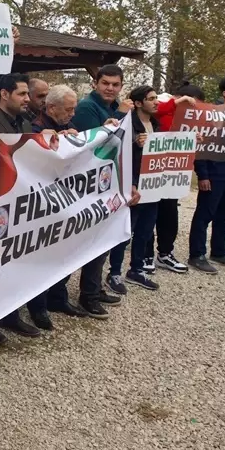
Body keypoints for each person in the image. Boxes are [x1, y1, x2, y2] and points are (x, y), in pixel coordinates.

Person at [27, 85, 111, 322]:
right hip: (45, 203)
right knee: (44, 257)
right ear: (52, 108)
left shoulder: (64, 125)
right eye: (69, 109)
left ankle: (58, 298)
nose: (73, 114)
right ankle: (38, 306)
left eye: (74, 109)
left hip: (64, 200)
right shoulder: (38, 127)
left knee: (63, 253)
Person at [0, 73, 47, 338]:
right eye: (22, 94)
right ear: (4, 94)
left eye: (28, 95)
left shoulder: (25, 122)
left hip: (21, 205)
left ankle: (11, 314)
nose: (27, 99)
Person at [71, 65, 134, 297]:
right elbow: (97, 143)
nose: (110, 88)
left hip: (110, 182)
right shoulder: (87, 107)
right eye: (105, 83)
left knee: (103, 240)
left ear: (121, 86)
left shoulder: (116, 106)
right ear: (95, 83)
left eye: (115, 84)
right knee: (87, 242)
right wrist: (120, 117)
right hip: (89, 184)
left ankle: (94, 288)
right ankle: (88, 293)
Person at [187, 75, 225, 274]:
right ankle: (197, 254)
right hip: (215, 174)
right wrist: (203, 174)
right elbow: (202, 144)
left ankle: (219, 251)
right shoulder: (211, 114)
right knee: (204, 215)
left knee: (224, 215)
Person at [107, 86, 162, 289]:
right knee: (125, 231)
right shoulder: (129, 125)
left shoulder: (156, 125)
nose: (156, 102)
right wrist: (134, 143)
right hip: (133, 185)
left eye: (156, 98)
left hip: (152, 186)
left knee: (145, 231)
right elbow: (116, 148)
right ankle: (114, 273)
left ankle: (136, 269)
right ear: (138, 103)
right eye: (151, 99)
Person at [147, 84, 201, 274]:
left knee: (169, 213)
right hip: (152, 168)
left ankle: (165, 252)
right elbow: (154, 111)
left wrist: (194, 138)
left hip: (173, 171)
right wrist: (177, 102)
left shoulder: (185, 115)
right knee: (149, 213)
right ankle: (146, 255)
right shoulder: (163, 102)